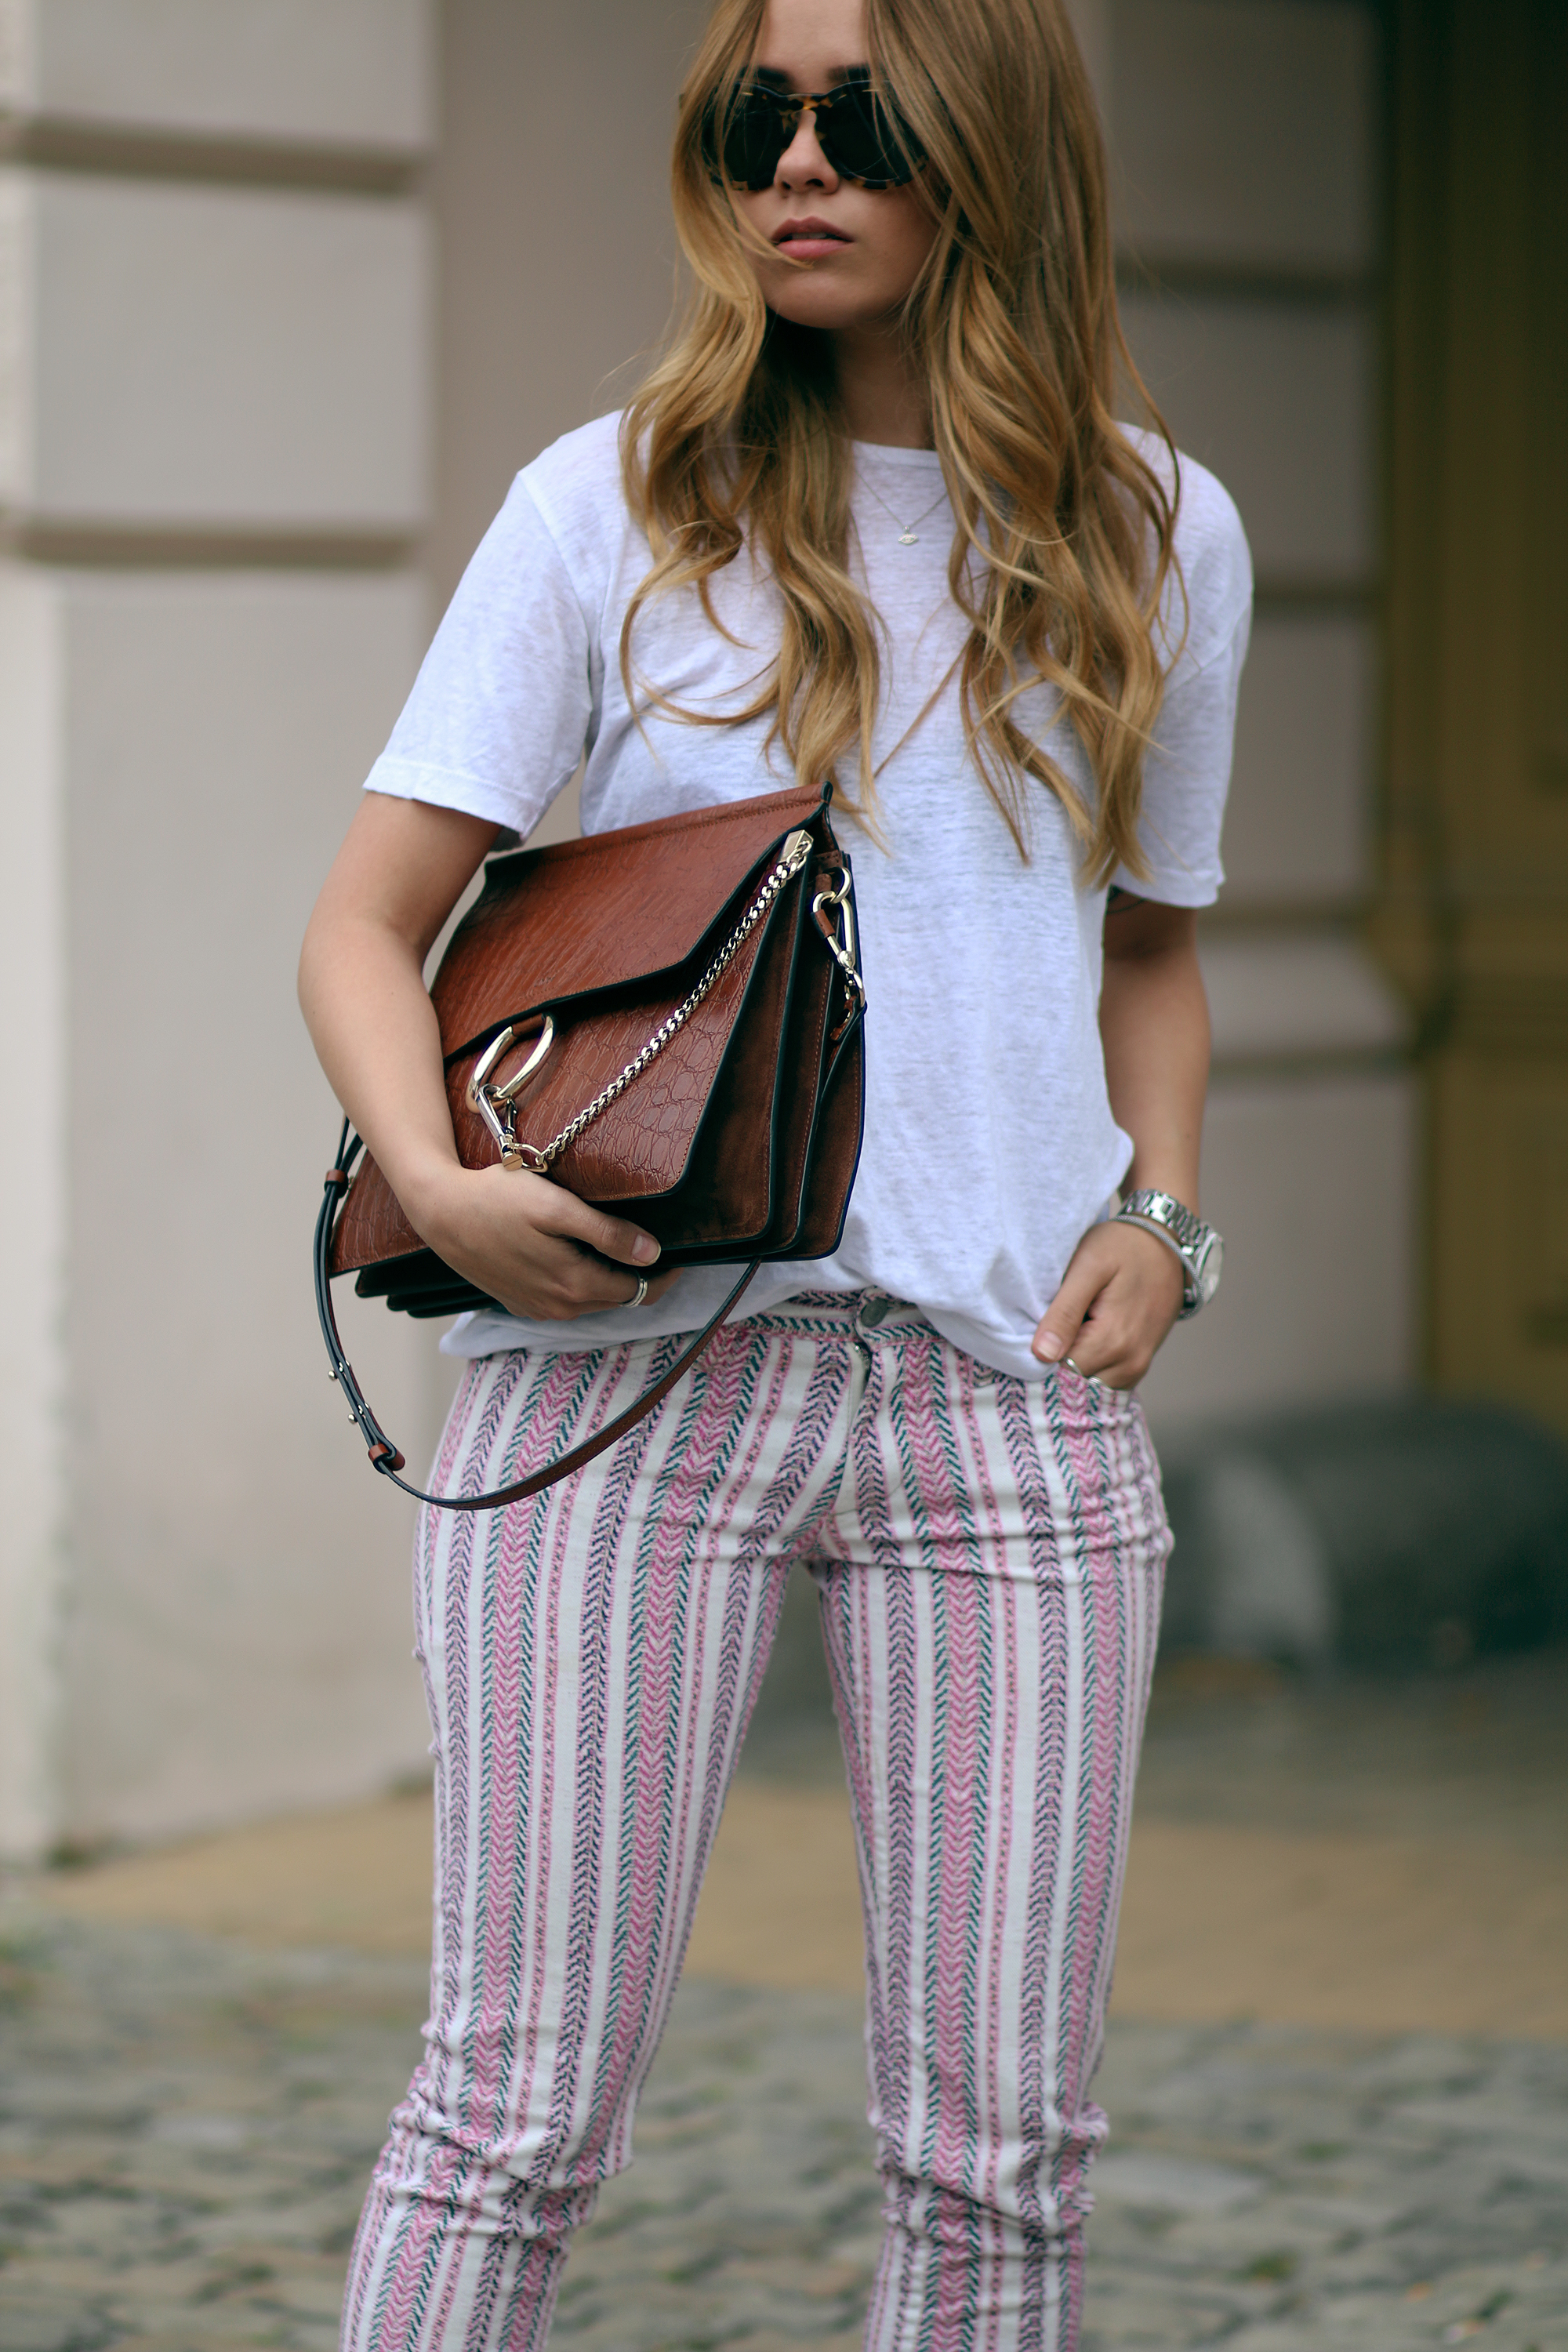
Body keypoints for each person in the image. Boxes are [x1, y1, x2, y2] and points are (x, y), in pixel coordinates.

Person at [299, 0, 1250, 2343]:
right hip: (628, 1372)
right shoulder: (610, 502)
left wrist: (1164, 1212)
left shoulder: (1154, 527)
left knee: (1003, 2172)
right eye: (756, 116)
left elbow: (1149, 954)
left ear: (995, 152)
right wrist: (440, 1175)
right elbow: (361, 922)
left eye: (865, 121)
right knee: (509, 2118)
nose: (796, 165)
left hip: (1003, 1399)